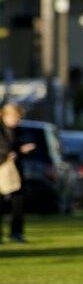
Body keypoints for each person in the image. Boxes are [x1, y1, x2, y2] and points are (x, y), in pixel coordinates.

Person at [0, 103, 36, 244]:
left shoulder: (18, 131)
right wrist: (9, 154)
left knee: (18, 202)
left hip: (14, 171)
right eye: (15, 117)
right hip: (2, 169)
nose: (17, 120)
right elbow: (5, 148)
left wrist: (21, 151)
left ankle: (16, 233)